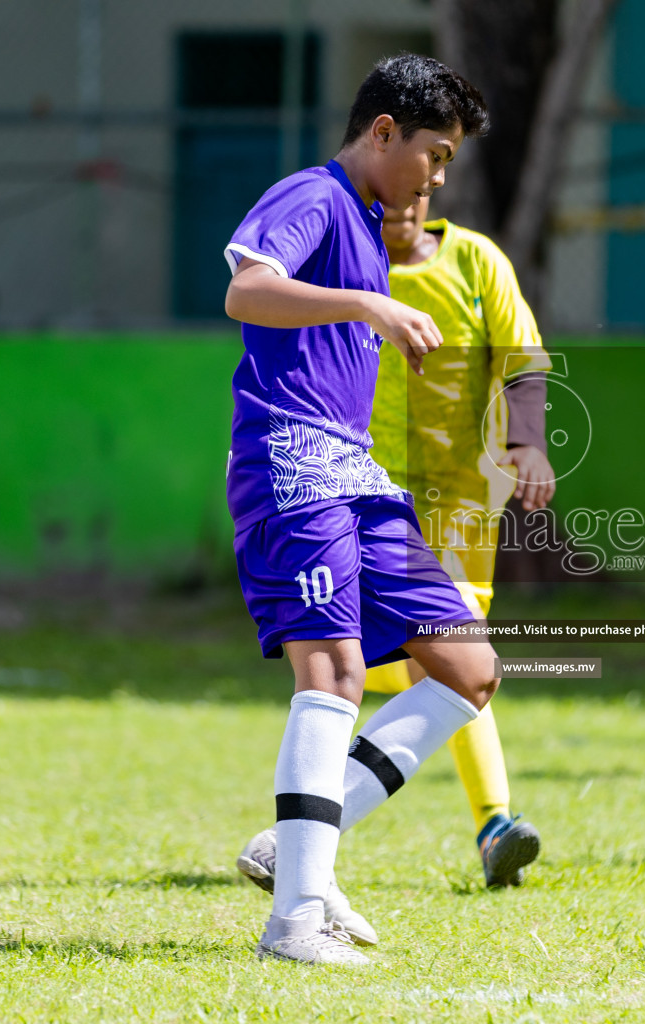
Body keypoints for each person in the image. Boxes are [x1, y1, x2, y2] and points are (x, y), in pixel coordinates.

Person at [222, 54, 495, 965]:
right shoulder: (313, 195)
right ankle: (296, 920)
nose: (439, 177)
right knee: (333, 672)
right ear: (383, 132)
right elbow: (245, 291)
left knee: (466, 666)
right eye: (435, 153)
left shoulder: (372, 220)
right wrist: (371, 306)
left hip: (357, 475)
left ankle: (300, 849)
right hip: (291, 465)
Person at [235, 192, 553, 898]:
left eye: (429, 182)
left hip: (460, 494)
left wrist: (527, 442)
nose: (408, 203)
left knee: (457, 654)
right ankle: (304, 855)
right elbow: (257, 300)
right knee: (379, 669)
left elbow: (524, 359)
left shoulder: (476, 260)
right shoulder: (346, 263)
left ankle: (493, 822)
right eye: (396, 195)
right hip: (357, 485)